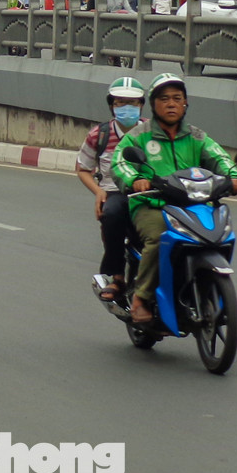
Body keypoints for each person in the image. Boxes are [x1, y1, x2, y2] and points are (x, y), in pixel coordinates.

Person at [111, 73, 237, 325]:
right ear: (153, 104)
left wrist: (234, 177)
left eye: (177, 98)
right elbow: (119, 163)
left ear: (185, 103)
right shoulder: (138, 136)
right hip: (152, 204)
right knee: (159, 237)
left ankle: (209, 289)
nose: (171, 104)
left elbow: (221, 160)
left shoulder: (197, 137)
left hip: (194, 204)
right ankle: (141, 298)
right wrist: (135, 180)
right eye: (164, 99)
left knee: (219, 233)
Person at [75, 77, 146, 303]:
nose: (127, 108)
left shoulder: (152, 132)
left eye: (133, 103)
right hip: (114, 191)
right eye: (120, 102)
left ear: (142, 105)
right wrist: (98, 192)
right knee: (112, 215)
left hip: (149, 190)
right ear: (112, 105)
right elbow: (83, 168)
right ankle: (116, 277)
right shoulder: (99, 134)